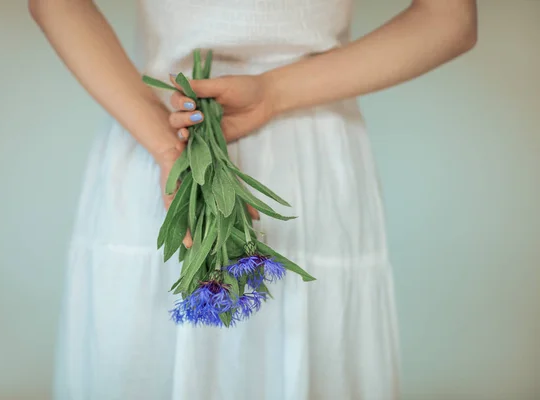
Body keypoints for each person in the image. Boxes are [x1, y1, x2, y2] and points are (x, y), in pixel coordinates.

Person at [30, 0, 477, 399]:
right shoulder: (166, 143)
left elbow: (451, 17)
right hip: (166, 133)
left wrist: (274, 90)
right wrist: (166, 146)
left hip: (286, 142)